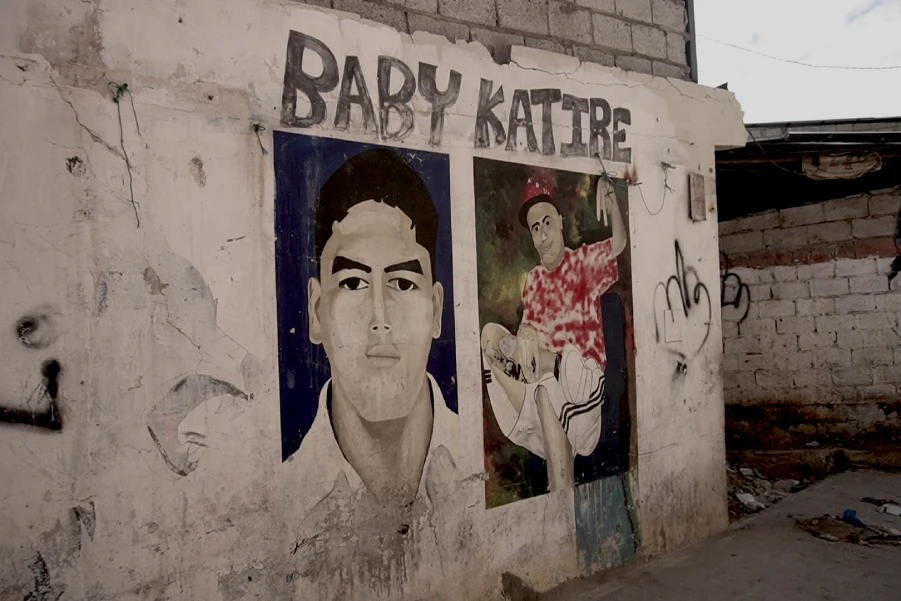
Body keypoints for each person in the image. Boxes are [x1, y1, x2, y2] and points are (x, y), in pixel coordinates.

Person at [291, 147, 456, 517]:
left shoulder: (479, 464)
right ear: (317, 312)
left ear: (436, 310)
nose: (379, 318)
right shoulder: (286, 501)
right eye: (352, 283)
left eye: (402, 282)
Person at [481, 174, 626, 491]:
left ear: (560, 222)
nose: (543, 235)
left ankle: (558, 487)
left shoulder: (583, 262)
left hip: (581, 379)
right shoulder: (533, 280)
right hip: (545, 378)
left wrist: (614, 203)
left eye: (547, 223)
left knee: (546, 386)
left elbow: (619, 244)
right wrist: (525, 333)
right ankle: (534, 417)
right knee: (490, 336)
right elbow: (527, 328)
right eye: (536, 228)